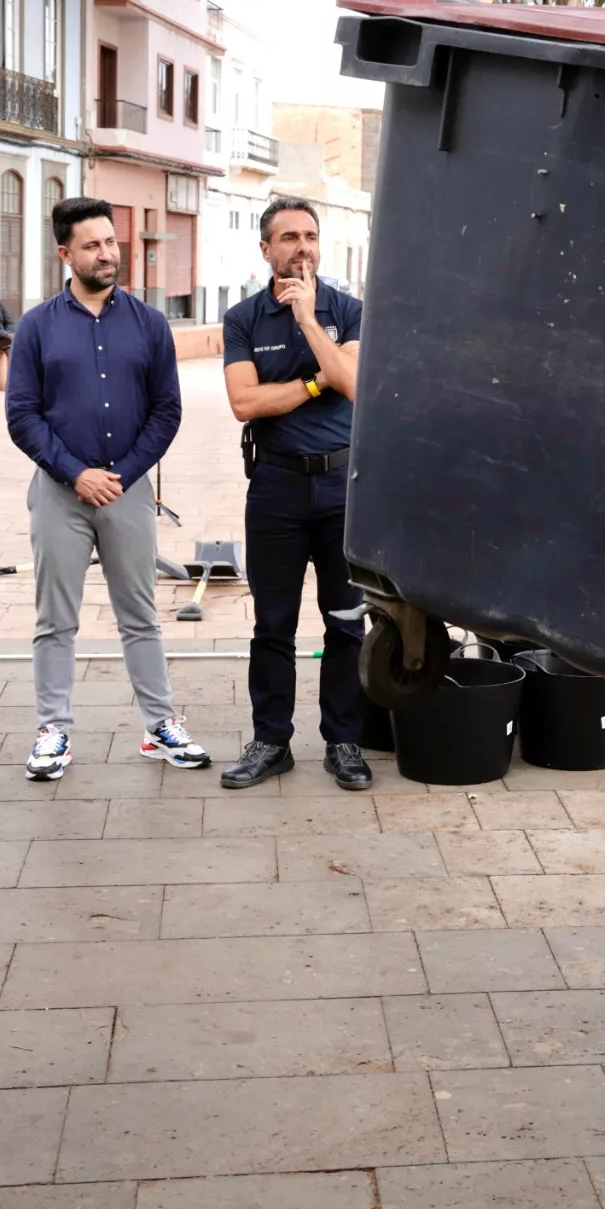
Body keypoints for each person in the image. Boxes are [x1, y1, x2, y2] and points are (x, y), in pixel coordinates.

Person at [6, 197, 209, 779]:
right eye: (92, 245)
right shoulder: (37, 326)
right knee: (56, 617)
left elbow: (167, 410)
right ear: (65, 253)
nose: (106, 253)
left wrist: (122, 474)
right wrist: (76, 474)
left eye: (111, 242)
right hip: (58, 490)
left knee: (140, 613)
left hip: (128, 489)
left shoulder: (149, 323)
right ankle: (54, 731)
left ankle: (161, 725)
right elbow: (22, 415)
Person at [218, 197, 369, 792]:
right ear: (266, 250)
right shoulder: (244, 319)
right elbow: (244, 404)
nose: (302, 247)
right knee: (272, 623)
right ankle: (271, 741)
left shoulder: (349, 311)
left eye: (310, 236)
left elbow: (357, 385)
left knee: (346, 622)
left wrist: (310, 322)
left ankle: (345, 742)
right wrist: (314, 378)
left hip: (342, 487)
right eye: (288, 238)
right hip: (276, 485)